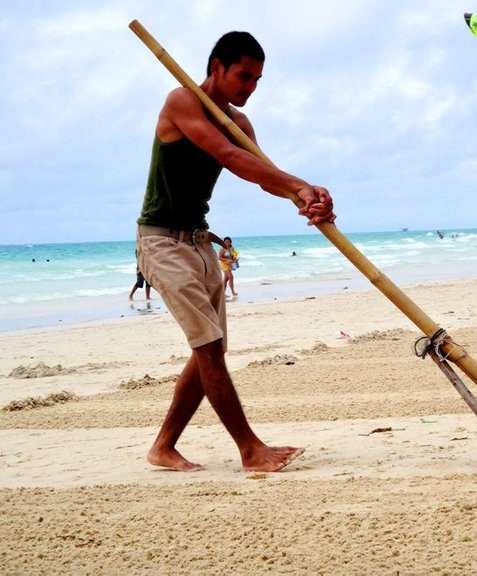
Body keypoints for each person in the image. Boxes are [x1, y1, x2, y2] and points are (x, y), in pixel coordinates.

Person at [135, 31, 336, 473]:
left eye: (258, 80)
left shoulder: (240, 123)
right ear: (216, 68)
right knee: (208, 349)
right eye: (244, 76)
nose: (250, 88)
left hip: (199, 241)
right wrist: (297, 184)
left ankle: (163, 447)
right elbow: (226, 155)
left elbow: (263, 175)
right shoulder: (181, 102)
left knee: (211, 350)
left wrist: (306, 193)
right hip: (161, 240)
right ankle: (250, 449)